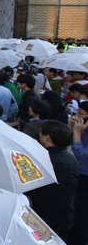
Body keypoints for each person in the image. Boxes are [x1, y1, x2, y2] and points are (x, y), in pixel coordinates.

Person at [25, 121, 79, 242]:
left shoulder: (43, 158)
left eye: (41, 133)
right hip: (64, 213)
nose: (39, 135)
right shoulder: (71, 158)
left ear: (48, 137)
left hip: (42, 214)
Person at [67, 101, 88, 245]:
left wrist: (76, 132)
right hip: (77, 174)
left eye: (80, 113)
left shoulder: (81, 130)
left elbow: (81, 154)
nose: (77, 115)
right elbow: (65, 144)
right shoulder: (82, 128)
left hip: (85, 177)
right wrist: (70, 127)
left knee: (81, 216)